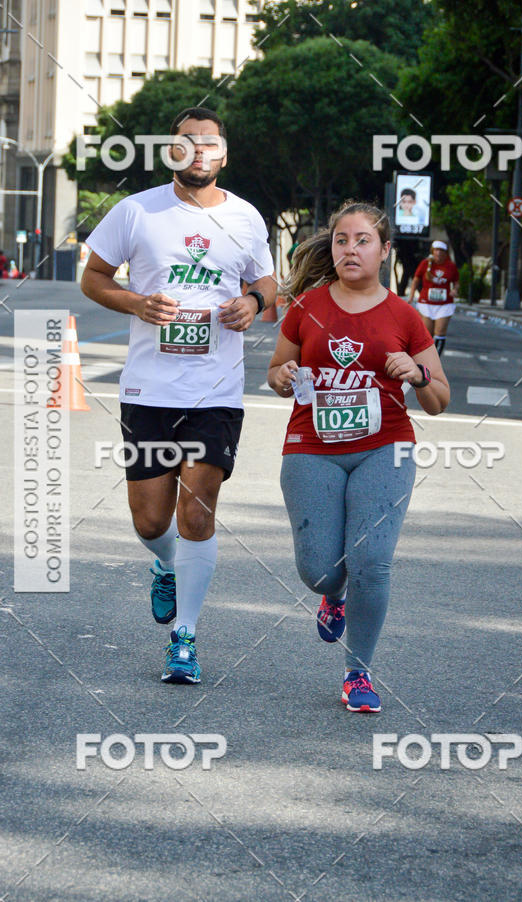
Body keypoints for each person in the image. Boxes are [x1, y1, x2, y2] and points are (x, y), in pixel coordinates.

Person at [81, 106, 276, 684]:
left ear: (223, 154)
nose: (196, 151)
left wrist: (255, 304)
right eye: (185, 142)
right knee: (149, 521)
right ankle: (167, 565)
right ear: (172, 151)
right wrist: (136, 303)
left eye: (208, 143)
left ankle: (184, 637)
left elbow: (266, 280)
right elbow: (93, 278)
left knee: (196, 511)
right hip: (149, 388)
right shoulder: (136, 211)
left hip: (216, 390)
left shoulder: (244, 217)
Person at [267, 202, 449, 713]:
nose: (351, 249)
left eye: (363, 240)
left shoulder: (405, 317)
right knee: (320, 571)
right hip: (312, 448)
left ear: (385, 250)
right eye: (342, 240)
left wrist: (417, 374)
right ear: (332, 247)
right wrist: (281, 378)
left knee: (372, 563)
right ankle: (333, 596)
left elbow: (440, 400)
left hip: (386, 448)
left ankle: (358, 673)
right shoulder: (305, 306)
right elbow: (278, 370)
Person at [407, 240, 459, 357]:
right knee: (427, 334)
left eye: (441, 251)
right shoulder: (425, 264)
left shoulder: (450, 266)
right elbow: (416, 280)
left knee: (440, 332)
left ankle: (435, 358)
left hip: (444, 304)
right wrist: (411, 296)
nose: (438, 253)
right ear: (432, 251)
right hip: (426, 303)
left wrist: (455, 290)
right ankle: (425, 358)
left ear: (445, 253)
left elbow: (456, 282)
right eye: (436, 250)